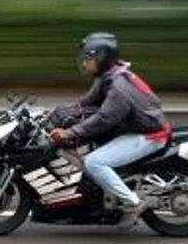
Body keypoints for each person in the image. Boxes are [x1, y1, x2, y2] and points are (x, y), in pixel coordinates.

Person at [48, 31, 171, 227]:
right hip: (133, 128)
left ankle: (133, 202)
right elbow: (86, 103)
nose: (84, 63)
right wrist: (51, 114)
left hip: (149, 135)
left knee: (94, 162)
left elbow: (103, 119)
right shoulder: (107, 77)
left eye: (88, 59)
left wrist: (70, 133)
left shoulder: (118, 88)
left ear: (102, 59)